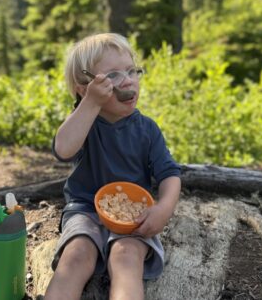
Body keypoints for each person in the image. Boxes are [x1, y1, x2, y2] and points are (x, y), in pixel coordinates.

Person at [46, 33, 182, 300]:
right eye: (114, 75)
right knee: (75, 258)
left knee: (126, 258)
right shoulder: (85, 122)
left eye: (132, 71)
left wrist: (163, 209)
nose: (128, 80)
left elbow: (170, 174)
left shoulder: (147, 130)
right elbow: (63, 149)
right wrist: (90, 104)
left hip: (134, 217)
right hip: (85, 208)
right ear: (84, 88)